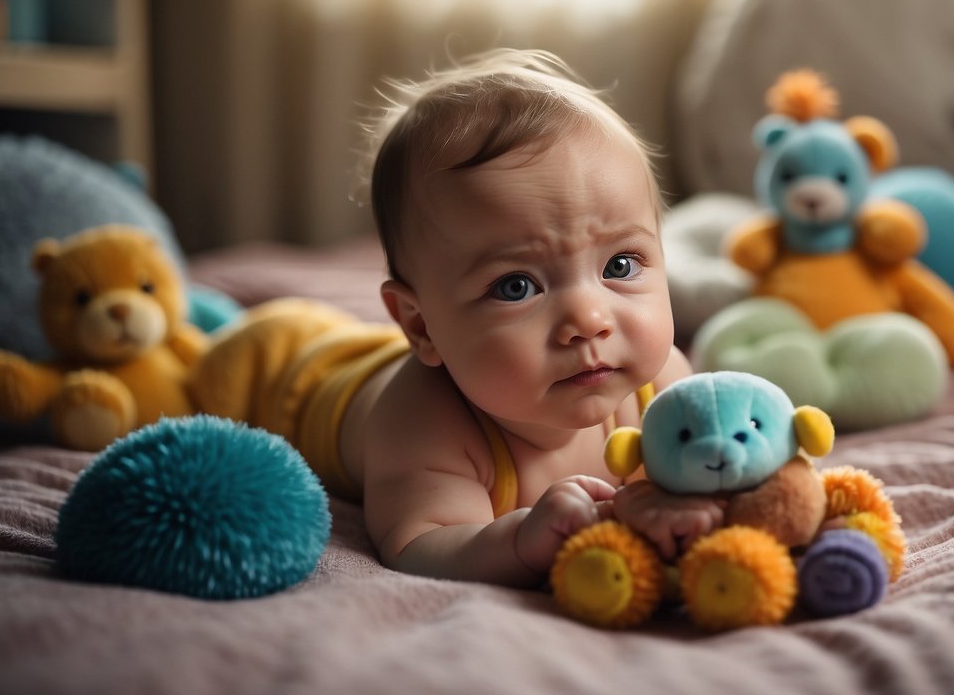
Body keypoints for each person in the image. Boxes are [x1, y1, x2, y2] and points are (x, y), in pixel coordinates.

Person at [191, 49, 722, 587]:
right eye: (516, 286)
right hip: (284, 367)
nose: (589, 319)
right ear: (421, 327)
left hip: (350, 348)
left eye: (620, 264)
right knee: (193, 363)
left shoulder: (664, 390)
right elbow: (421, 543)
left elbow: (727, 466)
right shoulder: (424, 423)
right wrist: (518, 540)